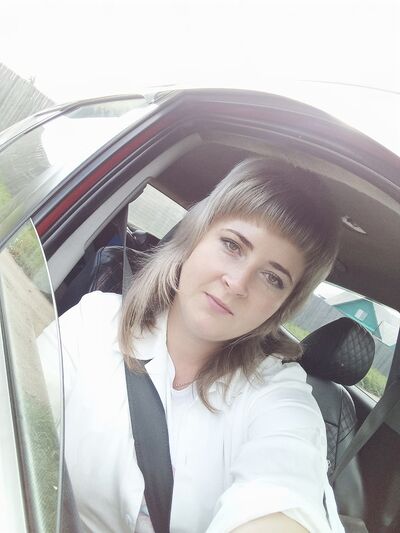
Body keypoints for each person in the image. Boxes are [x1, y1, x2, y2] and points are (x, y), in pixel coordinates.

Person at [38, 158, 345, 532]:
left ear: (282, 307)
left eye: (272, 278)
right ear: (195, 236)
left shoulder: (278, 396)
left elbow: (285, 486)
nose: (237, 282)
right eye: (232, 245)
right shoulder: (96, 324)